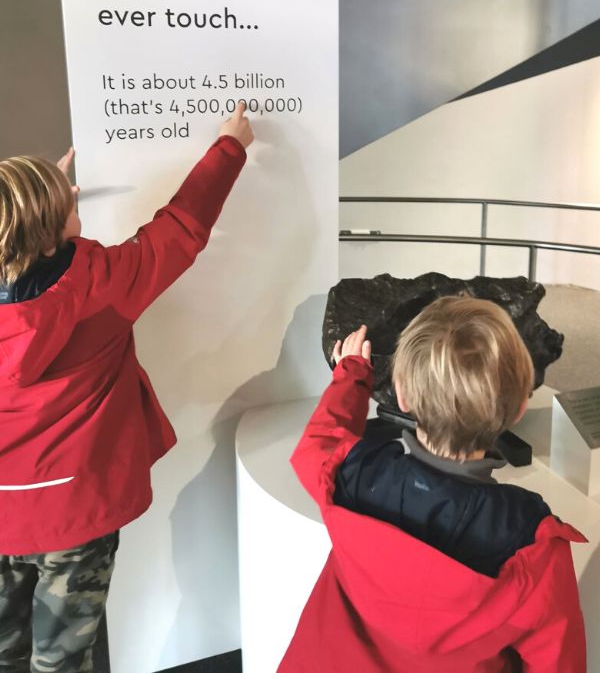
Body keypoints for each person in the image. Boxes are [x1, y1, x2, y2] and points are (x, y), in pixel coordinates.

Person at [0, 103, 253, 673]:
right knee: (63, 658)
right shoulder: (101, 288)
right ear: (46, 237)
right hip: (75, 514)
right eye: (66, 203)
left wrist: (44, 195)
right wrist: (229, 147)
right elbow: (181, 229)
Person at [280, 296, 587, 672]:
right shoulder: (531, 543)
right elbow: (557, 661)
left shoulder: (353, 475)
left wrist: (352, 373)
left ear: (402, 395)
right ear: (519, 407)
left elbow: (320, 441)